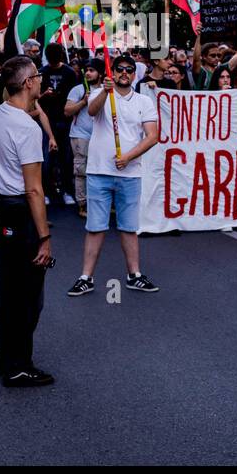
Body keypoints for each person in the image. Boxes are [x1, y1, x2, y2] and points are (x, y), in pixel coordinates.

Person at [0, 55, 54, 387]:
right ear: (28, 83)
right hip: (20, 213)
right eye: (37, 76)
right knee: (28, 295)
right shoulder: (26, 126)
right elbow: (34, 189)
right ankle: (18, 364)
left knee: (10, 290)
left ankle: (6, 355)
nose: (40, 80)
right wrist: (44, 236)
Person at [69, 52, 160, 297]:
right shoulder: (102, 94)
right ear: (112, 72)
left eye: (129, 69)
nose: (124, 73)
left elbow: (153, 136)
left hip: (130, 175)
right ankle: (85, 277)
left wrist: (128, 157)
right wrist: (105, 92)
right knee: (95, 227)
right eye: (119, 68)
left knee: (128, 227)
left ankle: (134, 274)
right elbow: (91, 112)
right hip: (99, 172)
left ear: (134, 73)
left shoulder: (143, 102)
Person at [39, 42, 79, 207]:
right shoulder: (42, 73)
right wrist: (43, 94)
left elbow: (75, 95)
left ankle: (67, 191)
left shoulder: (69, 73)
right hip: (47, 121)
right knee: (46, 161)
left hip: (65, 121)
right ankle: (47, 192)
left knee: (66, 160)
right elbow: (35, 98)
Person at [63, 59, 102, 218]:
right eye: (86, 70)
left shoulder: (106, 90)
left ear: (100, 73)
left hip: (101, 137)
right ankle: (82, 204)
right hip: (81, 136)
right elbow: (67, 111)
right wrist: (83, 102)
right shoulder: (78, 90)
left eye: (92, 70)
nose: (88, 73)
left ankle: (99, 202)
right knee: (81, 171)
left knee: (100, 170)